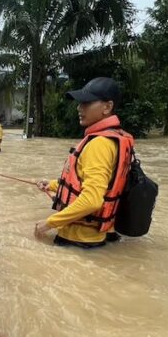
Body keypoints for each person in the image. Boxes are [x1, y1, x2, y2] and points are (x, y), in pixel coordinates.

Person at [34, 77, 134, 248]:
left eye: (86, 103)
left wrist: (49, 223)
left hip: (79, 239)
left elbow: (92, 200)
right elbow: (90, 185)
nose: (79, 108)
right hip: (100, 234)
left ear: (107, 107)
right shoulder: (116, 138)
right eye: (79, 103)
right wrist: (51, 185)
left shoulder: (99, 144)